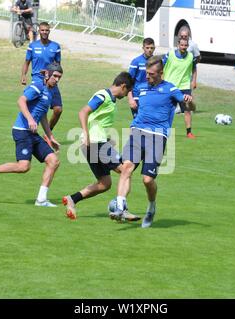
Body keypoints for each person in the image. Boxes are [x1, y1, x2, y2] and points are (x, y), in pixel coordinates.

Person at [110, 56, 192, 228]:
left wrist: (189, 102)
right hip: (137, 131)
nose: (147, 77)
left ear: (161, 73)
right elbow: (128, 89)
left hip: (157, 136)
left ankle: (152, 205)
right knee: (126, 168)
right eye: (146, 73)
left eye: (151, 74)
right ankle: (120, 206)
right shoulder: (141, 87)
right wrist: (131, 98)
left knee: (147, 180)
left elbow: (189, 107)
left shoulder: (170, 89)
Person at [0, 63, 63, 206]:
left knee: (53, 161)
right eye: (55, 76)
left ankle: (41, 199)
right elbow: (21, 101)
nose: (57, 80)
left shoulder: (50, 92)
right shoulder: (37, 86)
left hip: (32, 133)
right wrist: (30, 119)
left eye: (60, 77)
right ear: (47, 74)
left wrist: (50, 136)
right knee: (23, 167)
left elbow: (43, 115)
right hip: (22, 131)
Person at [62, 72, 140, 221]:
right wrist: (87, 135)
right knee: (126, 169)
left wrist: (106, 138)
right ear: (123, 86)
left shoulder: (110, 99)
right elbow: (83, 112)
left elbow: (96, 121)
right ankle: (121, 209)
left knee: (105, 183)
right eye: (128, 91)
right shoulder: (103, 96)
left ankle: (72, 199)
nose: (127, 95)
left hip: (97, 142)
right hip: (95, 143)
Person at [21, 22, 63, 131]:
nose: (44, 32)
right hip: (38, 81)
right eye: (42, 30)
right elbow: (26, 62)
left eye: (47, 30)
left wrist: (55, 77)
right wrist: (23, 75)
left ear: (49, 31)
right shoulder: (32, 46)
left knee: (58, 109)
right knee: (37, 108)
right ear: (39, 31)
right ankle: (28, 128)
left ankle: (48, 132)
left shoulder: (55, 47)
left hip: (51, 81)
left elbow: (58, 66)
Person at [163, 38, 197, 139]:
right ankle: (166, 131)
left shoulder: (191, 56)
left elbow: (194, 69)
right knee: (168, 110)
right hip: (170, 86)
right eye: (182, 45)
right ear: (178, 45)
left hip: (184, 86)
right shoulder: (170, 55)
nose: (183, 47)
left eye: (185, 46)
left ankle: (189, 132)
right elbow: (161, 67)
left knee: (187, 109)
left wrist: (194, 81)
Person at [127, 37, 155, 118]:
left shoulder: (156, 62)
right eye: (147, 48)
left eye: (152, 48)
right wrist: (130, 99)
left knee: (149, 122)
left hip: (151, 96)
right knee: (138, 122)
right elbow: (129, 81)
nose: (149, 50)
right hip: (137, 96)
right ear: (143, 48)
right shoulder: (136, 61)